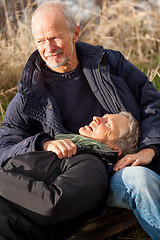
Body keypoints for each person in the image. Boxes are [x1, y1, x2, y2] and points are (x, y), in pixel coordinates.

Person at [0, 1, 160, 239]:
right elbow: (4, 145)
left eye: (55, 37)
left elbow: (153, 104)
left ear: (75, 33)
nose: (49, 48)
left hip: (120, 166)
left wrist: (150, 148)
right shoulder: (28, 94)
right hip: (73, 180)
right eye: (41, 41)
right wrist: (43, 143)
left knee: (140, 177)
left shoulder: (108, 63)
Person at [0, 112, 139, 240]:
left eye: (107, 123)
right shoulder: (65, 149)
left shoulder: (93, 166)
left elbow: (52, 205)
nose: (96, 118)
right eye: (104, 116)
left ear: (114, 149)